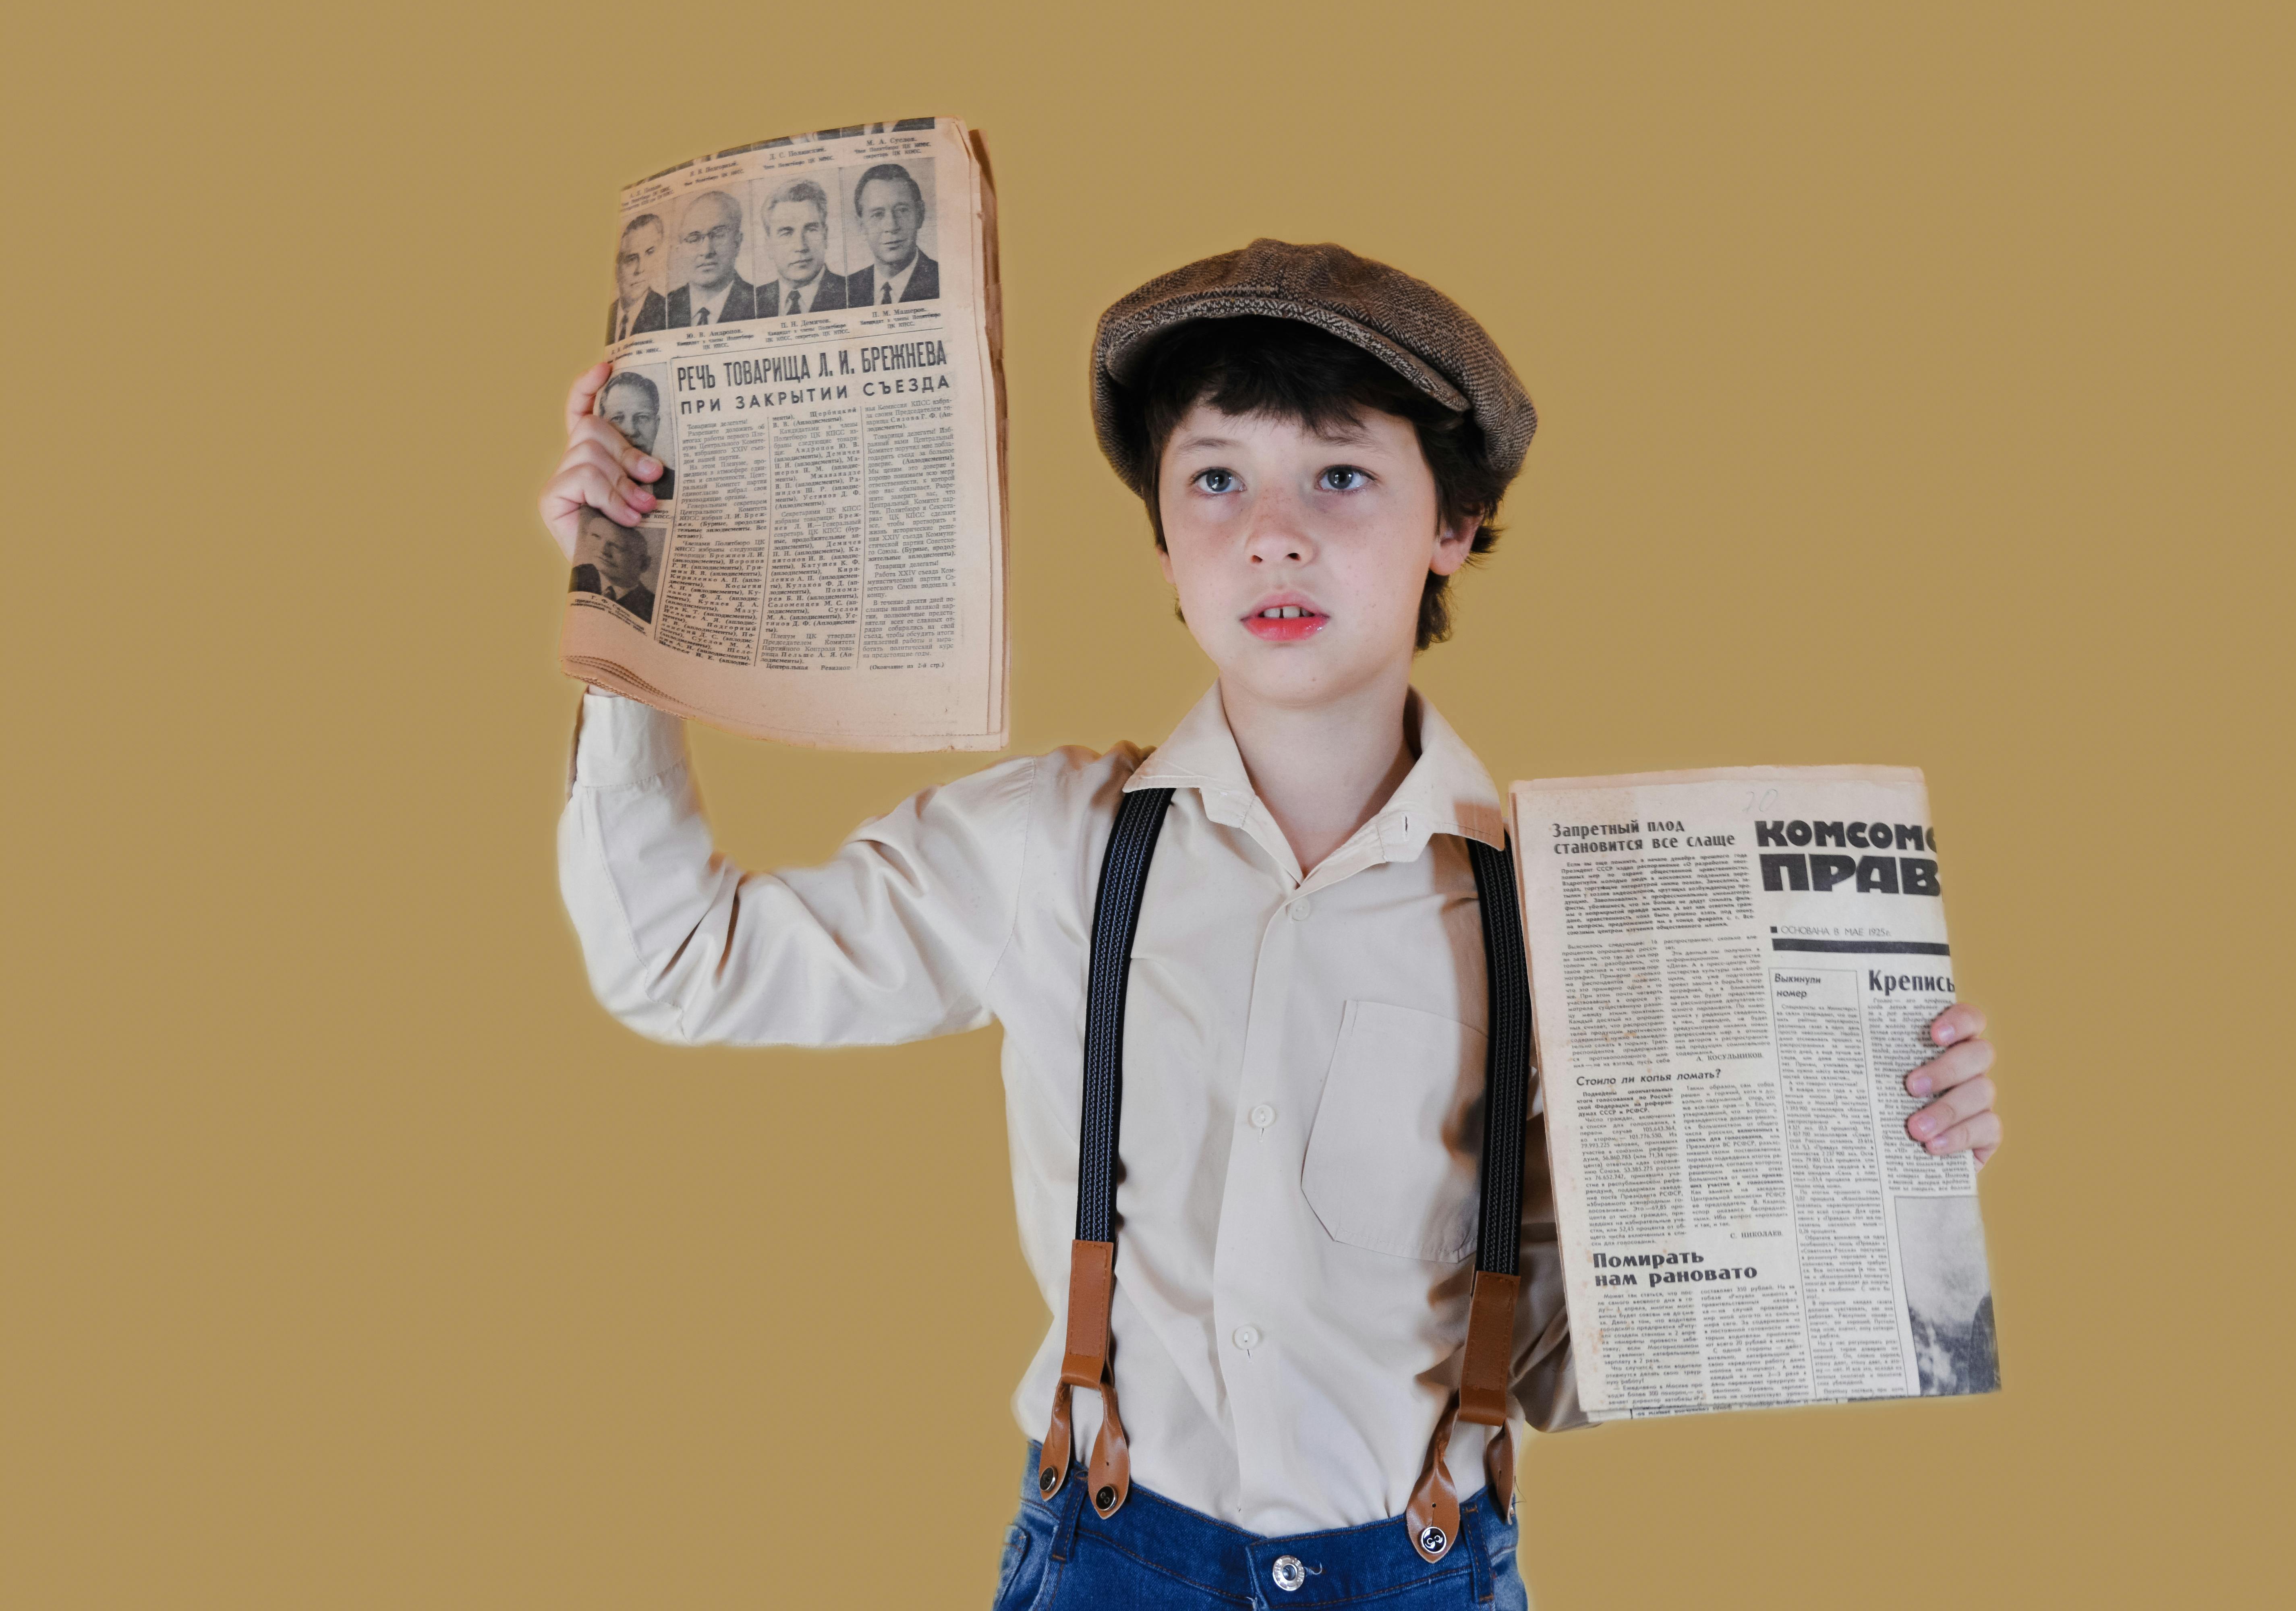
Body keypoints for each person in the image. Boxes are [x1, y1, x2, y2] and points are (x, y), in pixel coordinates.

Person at [537, 240, 2005, 1608]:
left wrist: (1880, 1165)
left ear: (1455, 522)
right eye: (1217, 480)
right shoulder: (1050, 844)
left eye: (1344, 478)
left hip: (1419, 1559)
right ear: (1163, 540)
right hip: (1109, 1549)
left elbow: (1564, 1357)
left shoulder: (1565, 908)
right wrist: (625, 609)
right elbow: (677, 958)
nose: (1274, 537)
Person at [845, 164, 939, 305]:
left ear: (920, 215)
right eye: (878, 215)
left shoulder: (943, 279)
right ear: (861, 224)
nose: (892, 227)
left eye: (902, 211)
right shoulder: (847, 289)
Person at [663, 190, 760, 327]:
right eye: (694, 239)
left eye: (719, 234)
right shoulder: (662, 308)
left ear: (737, 243)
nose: (706, 251)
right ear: (680, 251)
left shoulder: (762, 303)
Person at [754, 180, 848, 315]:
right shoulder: (752, 301)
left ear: (826, 236)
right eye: (786, 233)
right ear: (769, 245)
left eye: (811, 230)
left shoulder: (854, 292)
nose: (800, 246)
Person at [567, 507, 656, 623]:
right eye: (596, 537)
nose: (603, 550)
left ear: (644, 564)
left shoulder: (652, 607)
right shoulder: (579, 574)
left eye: (617, 546)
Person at [597, 371, 671, 501]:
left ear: (657, 424)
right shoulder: (592, 485)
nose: (631, 431)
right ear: (602, 425)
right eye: (618, 418)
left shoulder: (675, 483)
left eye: (642, 417)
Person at [606, 213, 669, 342]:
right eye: (631, 259)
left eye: (649, 253)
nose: (641, 269)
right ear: (617, 270)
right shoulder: (606, 315)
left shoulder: (667, 311)